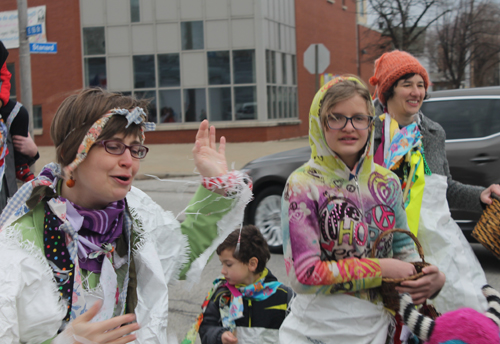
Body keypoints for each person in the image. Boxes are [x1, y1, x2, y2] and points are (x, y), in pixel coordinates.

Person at [0, 88, 252, 344]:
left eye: (135, 149)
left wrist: (216, 187)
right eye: (114, 146)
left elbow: (177, 253)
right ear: (70, 153)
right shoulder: (19, 246)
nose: (128, 161)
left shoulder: (134, 211)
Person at [279, 75, 445, 344]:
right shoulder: (302, 185)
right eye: (336, 117)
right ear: (319, 123)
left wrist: (427, 276)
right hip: (317, 331)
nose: (349, 127)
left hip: (379, 328)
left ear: (370, 123)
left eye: (359, 118)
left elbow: (404, 247)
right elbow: (304, 276)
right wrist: (380, 268)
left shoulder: (387, 182)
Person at [369, 50, 499, 313]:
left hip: (441, 245)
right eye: (407, 85)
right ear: (389, 91)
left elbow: (446, 187)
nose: (416, 92)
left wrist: (480, 196)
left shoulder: (433, 133)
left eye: (421, 85)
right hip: (391, 243)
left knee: (457, 317)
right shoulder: (369, 135)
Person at [183, 225, 293, 344]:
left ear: (252, 264)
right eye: (222, 264)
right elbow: (206, 327)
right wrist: (220, 336)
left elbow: (297, 332)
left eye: (228, 264)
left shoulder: (284, 297)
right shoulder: (222, 296)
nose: (223, 271)